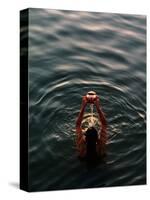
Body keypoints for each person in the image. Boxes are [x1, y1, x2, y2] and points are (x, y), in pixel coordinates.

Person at [76, 93, 107, 161]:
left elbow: (78, 125)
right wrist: (98, 107)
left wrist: (83, 106)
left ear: (85, 138)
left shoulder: (82, 149)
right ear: (97, 138)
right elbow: (104, 124)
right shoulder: (100, 147)